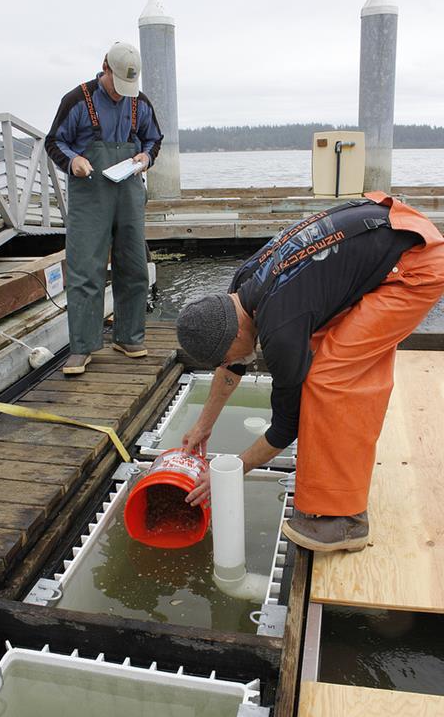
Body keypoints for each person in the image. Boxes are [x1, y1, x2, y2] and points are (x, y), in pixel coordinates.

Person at [176, 193, 444, 552]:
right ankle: (339, 469)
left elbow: (287, 426)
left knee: (328, 380)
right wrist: (203, 425)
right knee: (324, 359)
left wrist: (235, 470)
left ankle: (348, 521)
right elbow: (234, 362)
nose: (228, 363)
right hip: (387, 227)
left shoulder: (280, 330)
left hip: (415, 265)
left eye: (223, 356)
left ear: (235, 332)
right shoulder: (240, 288)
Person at [45, 42, 163, 374]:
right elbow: (54, 141)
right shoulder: (77, 100)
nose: (121, 94)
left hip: (128, 190)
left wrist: (146, 157)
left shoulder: (139, 102)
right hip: (89, 192)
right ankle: (82, 348)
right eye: (116, 86)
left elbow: (154, 139)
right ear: (105, 69)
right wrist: (75, 161)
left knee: (135, 266)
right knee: (86, 270)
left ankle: (128, 336)